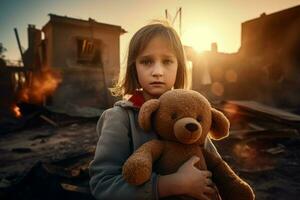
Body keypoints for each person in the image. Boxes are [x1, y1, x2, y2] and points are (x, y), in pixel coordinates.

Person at [89, 21, 221, 200]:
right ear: (134, 68)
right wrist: (173, 184)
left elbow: (217, 169)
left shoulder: (192, 117)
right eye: (146, 61)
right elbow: (103, 185)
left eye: (167, 61)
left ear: (179, 67)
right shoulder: (119, 119)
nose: (157, 71)